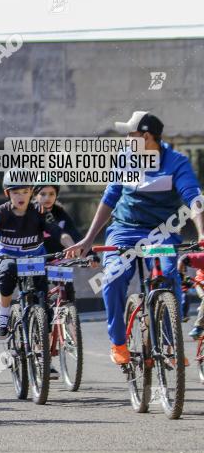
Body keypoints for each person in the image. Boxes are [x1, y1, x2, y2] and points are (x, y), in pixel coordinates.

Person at [66, 112, 204, 365]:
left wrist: (202, 233)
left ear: (146, 136)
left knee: (167, 275)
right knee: (114, 277)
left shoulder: (176, 162)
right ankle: (118, 342)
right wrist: (88, 240)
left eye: (131, 134)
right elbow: (110, 198)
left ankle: (168, 342)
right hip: (124, 230)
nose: (127, 139)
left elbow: (193, 197)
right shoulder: (125, 157)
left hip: (161, 232)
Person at [0, 173, 74, 342]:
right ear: (8, 194)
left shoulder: (40, 210)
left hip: (34, 256)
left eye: (24, 191)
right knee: (8, 271)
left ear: (31, 192)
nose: (20, 196)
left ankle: (42, 350)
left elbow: (58, 232)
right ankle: (3, 315)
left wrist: (71, 246)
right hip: (8, 256)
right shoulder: (1, 212)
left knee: (43, 300)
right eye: (15, 192)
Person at [34, 184, 85, 302]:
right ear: (35, 195)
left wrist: (89, 253)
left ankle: (68, 315)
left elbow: (74, 234)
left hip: (55, 258)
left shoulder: (60, 212)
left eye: (51, 194)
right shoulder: (30, 212)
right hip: (35, 258)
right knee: (39, 294)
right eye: (42, 194)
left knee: (67, 289)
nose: (47, 198)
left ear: (56, 195)